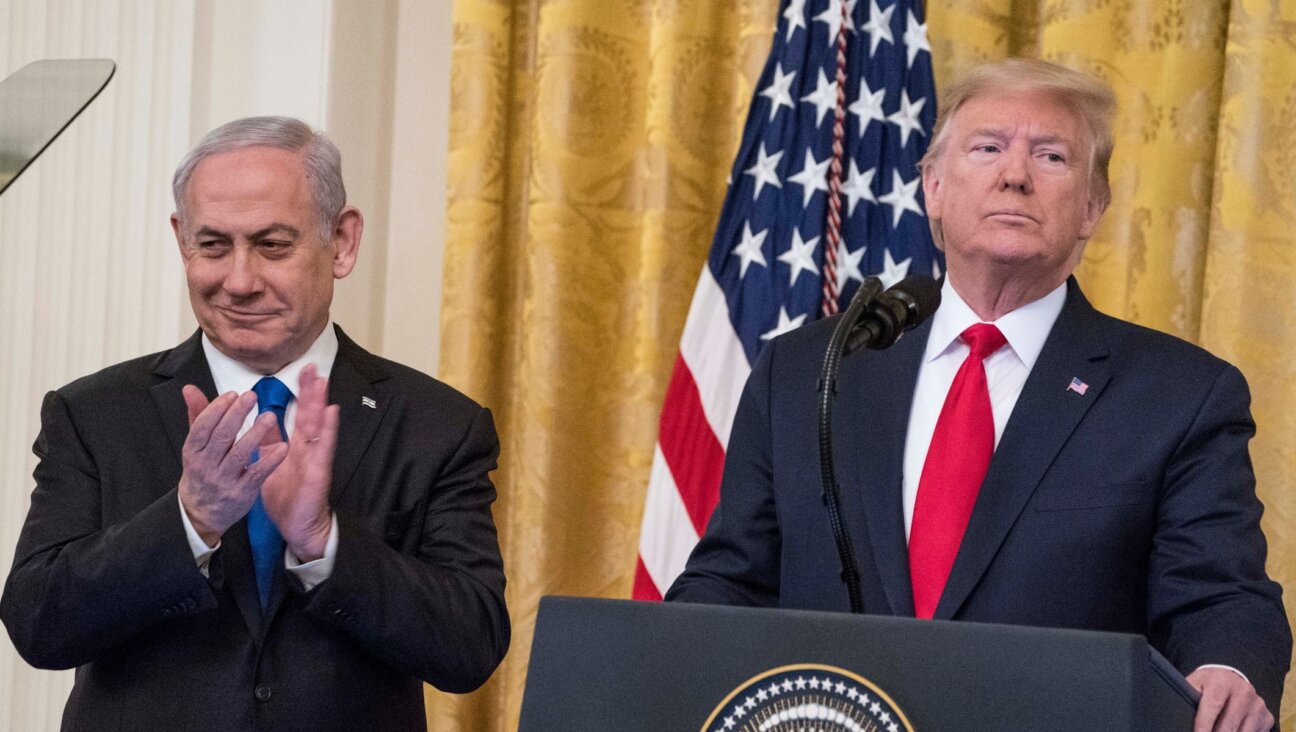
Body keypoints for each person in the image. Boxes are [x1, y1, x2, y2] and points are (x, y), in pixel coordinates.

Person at [666, 59, 1290, 731]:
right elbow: (734, 580)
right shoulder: (808, 371)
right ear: (933, 188)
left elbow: (1221, 598)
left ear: (1092, 207)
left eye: (1051, 156)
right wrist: (653, 656)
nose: (1015, 174)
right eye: (987, 147)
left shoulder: (1179, 395)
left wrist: (1227, 667)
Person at [1, 116, 509, 730]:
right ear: (181, 240)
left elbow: (470, 647)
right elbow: (39, 627)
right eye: (212, 245)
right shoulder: (94, 413)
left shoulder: (437, 425)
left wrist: (324, 542)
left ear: (342, 242)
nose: (238, 281)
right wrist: (190, 519)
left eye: (272, 245)